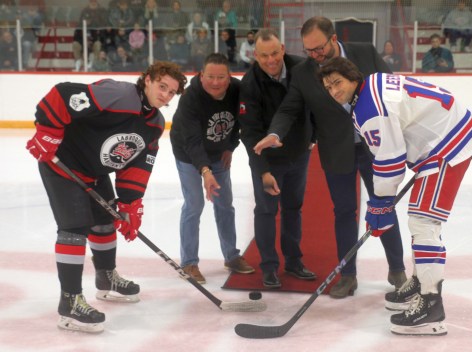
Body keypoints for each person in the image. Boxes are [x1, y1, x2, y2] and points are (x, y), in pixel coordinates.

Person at [318, 56, 472, 336]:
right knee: (420, 219)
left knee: (423, 222)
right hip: (446, 133)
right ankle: (421, 282)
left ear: (352, 78)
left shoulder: (368, 108)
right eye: (328, 86)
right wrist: (381, 204)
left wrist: (379, 203)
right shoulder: (372, 84)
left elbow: (390, 160)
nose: (334, 91)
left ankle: (431, 305)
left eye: (338, 83)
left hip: (446, 144)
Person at [25, 61, 187, 333]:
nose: (166, 95)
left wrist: (130, 203)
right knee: (74, 228)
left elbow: (137, 164)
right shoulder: (120, 95)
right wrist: (48, 131)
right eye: (162, 86)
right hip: (62, 163)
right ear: (146, 79)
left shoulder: (156, 124)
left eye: (172, 92)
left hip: (95, 172)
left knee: (105, 221)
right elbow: (64, 95)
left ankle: (106, 277)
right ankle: (70, 301)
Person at [253, 16, 407, 299]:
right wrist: (276, 133)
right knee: (344, 212)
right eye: (309, 50)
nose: (314, 56)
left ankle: (397, 269)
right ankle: (347, 276)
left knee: (384, 207)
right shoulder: (303, 72)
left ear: (333, 39)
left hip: (375, 148)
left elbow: (394, 92)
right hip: (337, 151)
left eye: (319, 49)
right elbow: (289, 109)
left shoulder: (365, 53)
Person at [239, 28, 315, 288]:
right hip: (269, 161)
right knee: (266, 211)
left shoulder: (303, 68)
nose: (270, 60)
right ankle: (269, 267)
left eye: (274, 53)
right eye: (263, 56)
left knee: (293, 209)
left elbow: (315, 102)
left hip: (298, 155)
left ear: (282, 48)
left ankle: (294, 262)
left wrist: (311, 137)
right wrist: (263, 171)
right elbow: (249, 133)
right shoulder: (250, 84)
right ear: (255, 56)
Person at [170, 53, 255, 284]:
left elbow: (242, 120)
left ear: (229, 77)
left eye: (221, 77)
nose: (215, 82)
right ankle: (189, 262)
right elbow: (192, 142)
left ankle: (231, 256)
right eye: (210, 76)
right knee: (195, 203)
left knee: (225, 204)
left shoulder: (237, 91)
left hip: (218, 152)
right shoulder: (191, 98)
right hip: (188, 154)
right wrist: (205, 171)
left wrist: (230, 145)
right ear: (201, 75)